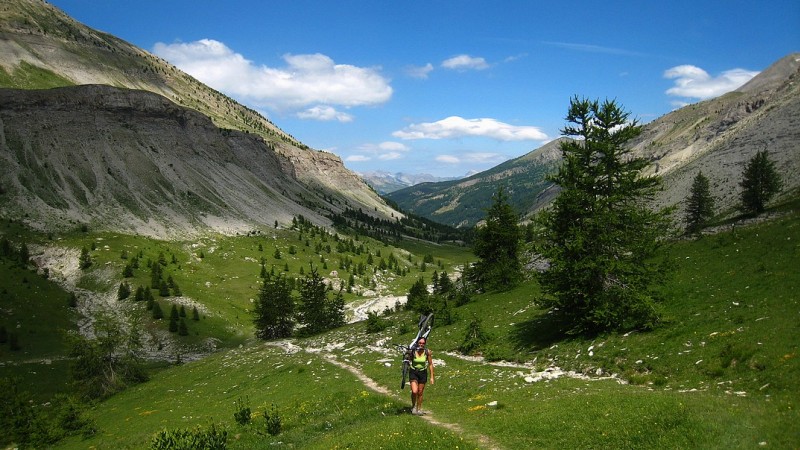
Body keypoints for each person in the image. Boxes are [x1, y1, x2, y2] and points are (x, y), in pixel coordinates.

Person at [409, 336, 434, 415]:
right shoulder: (413, 351)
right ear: (417, 343)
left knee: (420, 392)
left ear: (425, 344)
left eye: (423, 343)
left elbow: (430, 364)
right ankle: (413, 406)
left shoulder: (427, 352)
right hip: (413, 372)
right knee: (414, 391)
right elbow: (406, 360)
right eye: (420, 343)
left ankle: (419, 409)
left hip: (423, 373)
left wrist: (432, 377)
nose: (421, 344)